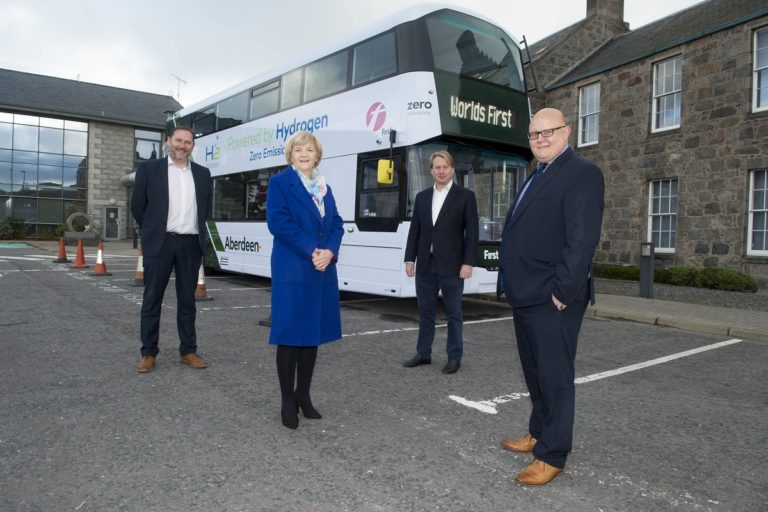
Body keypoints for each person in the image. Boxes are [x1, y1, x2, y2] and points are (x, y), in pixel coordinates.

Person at [498, 108, 605, 485]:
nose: (541, 139)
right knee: (534, 371)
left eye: (549, 132)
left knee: (555, 375)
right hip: (526, 292)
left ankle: (553, 453)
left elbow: (581, 239)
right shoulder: (537, 174)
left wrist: (563, 290)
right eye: (534, 134)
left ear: (567, 132)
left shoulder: (582, 173)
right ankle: (539, 432)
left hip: (552, 296)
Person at [266, 131, 344, 430]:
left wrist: (330, 252)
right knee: (289, 336)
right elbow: (279, 223)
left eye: (309, 150)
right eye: (298, 149)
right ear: (290, 155)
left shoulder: (325, 187)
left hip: (321, 269)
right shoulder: (279, 183)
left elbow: (336, 224)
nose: (303, 154)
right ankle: (287, 400)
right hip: (293, 270)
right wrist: (314, 249)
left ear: (317, 155)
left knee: (311, 336)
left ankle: (303, 396)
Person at [131, 126, 213, 373]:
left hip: (190, 244)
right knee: (152, 299)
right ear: (169, 141)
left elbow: (205, 209)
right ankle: (148, 353)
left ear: (192, 146)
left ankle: (188, 350)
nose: (182, 145)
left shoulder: (202, 173)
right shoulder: (149, 169)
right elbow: (138, 207)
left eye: (188, 142)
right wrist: (152, 232)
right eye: (178, 140)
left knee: (187, 301)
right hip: (160, 243)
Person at [403, 150, 479, 374]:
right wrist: (410, 258)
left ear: (452, 169)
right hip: (426, 263)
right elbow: (415, 231)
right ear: (431, 171)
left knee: (454, 313)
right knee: (425, 311)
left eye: (445, 167)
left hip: (453, 265)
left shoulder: (465, 196)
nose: (441, 171)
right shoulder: (422, 197)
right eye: (437, 167)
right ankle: (423, 353)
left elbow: (472, 233)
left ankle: (454, 357)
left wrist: (468, 263)